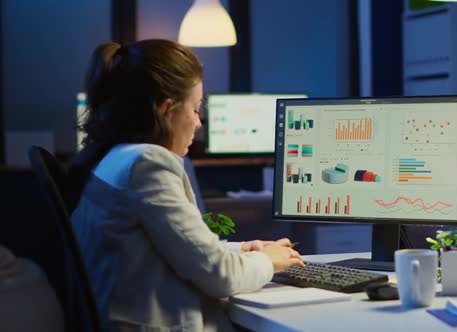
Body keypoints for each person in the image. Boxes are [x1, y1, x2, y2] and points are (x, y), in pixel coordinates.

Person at [68, 39, 304, 331]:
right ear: (167, 110)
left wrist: (244, 249)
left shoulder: (112, 157)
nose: (198, 122)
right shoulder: (148, 163)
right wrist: (269, 262)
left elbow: (179, 250)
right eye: (195, 109)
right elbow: (219, 276)